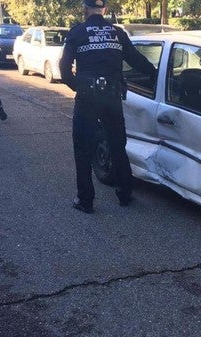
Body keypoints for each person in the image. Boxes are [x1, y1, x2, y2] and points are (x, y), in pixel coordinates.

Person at [59, 0, 157, 214]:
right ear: (105, 10)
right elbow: (136, 60)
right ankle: (125, 193)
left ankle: (85, 201)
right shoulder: (117, 33)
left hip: (87, 98)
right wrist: (155, 75)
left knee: (83, 149)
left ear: (85, 10)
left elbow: (64, 70)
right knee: (117, 144)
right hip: (112, 97)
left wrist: (79, 87)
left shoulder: (77, 32)